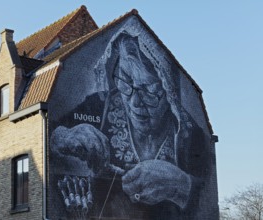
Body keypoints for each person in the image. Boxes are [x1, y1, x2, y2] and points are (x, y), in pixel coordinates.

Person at [50, 31, 209, 219]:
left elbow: (208, 197)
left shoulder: (191, 136)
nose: (134, 102)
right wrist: (64, 137)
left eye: (148, 90)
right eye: (125, 81)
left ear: (169, 90)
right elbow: (47, 131)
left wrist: (184, 186)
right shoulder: (99, 106)